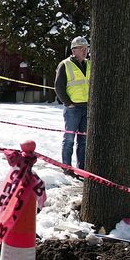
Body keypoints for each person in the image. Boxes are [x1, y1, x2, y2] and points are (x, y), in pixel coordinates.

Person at [53, 35, 90, 169]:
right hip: (73, 108)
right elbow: (58, 86)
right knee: (69, 139)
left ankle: (82, 168)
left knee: (84, 140)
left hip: (86, 107)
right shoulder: (65, 64)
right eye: (81, 48)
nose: (85, 51)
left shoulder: (89, 64)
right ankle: (67, 167)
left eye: (86, 48)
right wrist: (68, 103)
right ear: (73, 50)